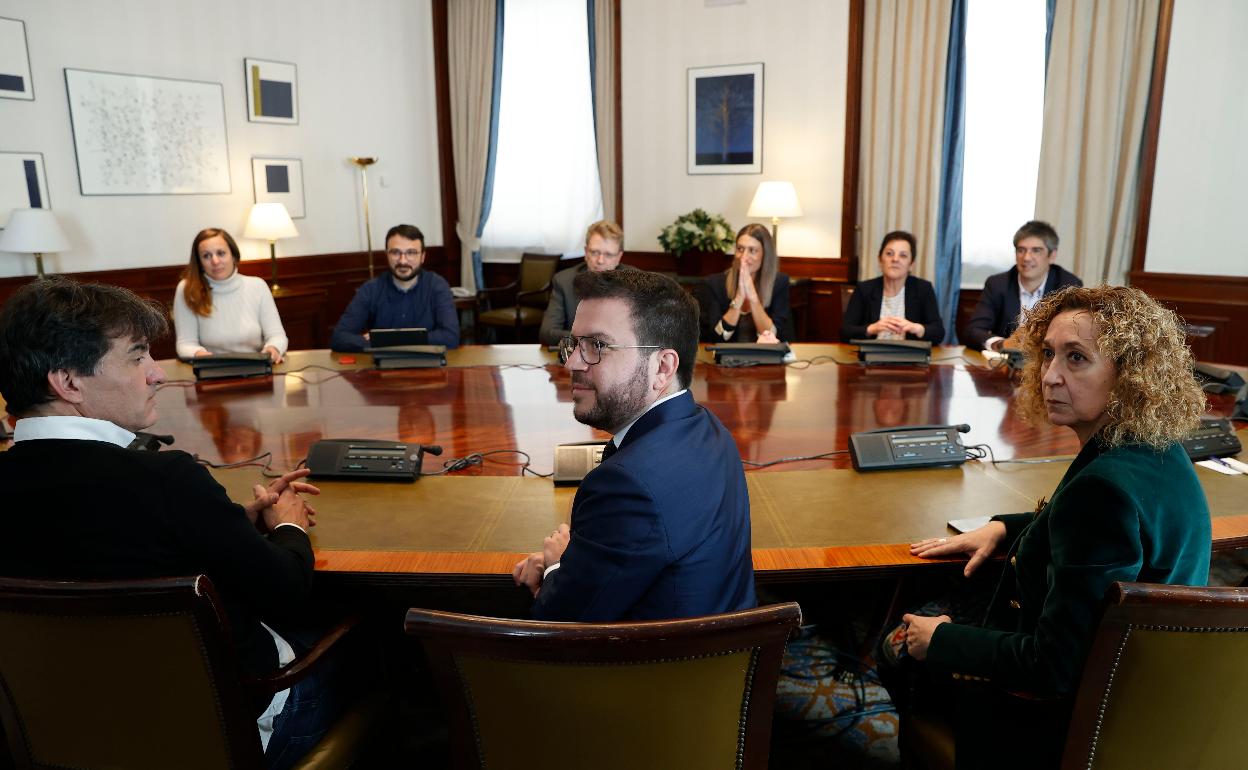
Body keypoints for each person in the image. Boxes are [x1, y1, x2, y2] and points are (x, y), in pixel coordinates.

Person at [0, 277, 341, 769]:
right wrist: (288, 525)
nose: (157, 374)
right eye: (137, 356)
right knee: (376, 645)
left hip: (65, 739)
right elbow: (287, 588)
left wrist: (224, 525)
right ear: (69, 381)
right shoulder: (165, 481)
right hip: (228, 734)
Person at [900, 285, 1210, 768]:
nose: (1049, 376)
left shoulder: (1101, 491)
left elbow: (1052, 668)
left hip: (1062, 726)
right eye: (1047, 355)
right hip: (1153, 695)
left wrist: (941, 639)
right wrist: (1006, 527)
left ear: (1130, 375)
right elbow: (1097, 529)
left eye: (1076, 359)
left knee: (898, 644)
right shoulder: (1157, 447)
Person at [513, 269, 756, 621]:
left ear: (663, 366)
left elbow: (559, 622)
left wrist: (557, 566)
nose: (571, 362)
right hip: (720, 659)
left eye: (596, 345)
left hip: (651, 671)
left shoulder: (627, 486)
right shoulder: (710, 429)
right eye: (574, 344)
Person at [330, 224, 459, 351]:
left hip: (429, 365)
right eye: (396, 253)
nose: (403, 261)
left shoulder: (437, 286)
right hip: (382, 367)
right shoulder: (371, 289)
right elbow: (339, 337)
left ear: (422, 257)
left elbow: (450, 337)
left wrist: (386, 340)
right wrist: (409, 340)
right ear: (387, 255)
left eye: (411, 253)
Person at [963, 220, 1083, 352]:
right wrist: (1002, 345)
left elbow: (1073, 335)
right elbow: (973, 331)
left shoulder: (1068, 286)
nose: (1026, 258)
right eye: (1021, 250)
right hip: (1005, 365)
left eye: (1036, 251)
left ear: (1052, 256)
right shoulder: (997, 284)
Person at [173, 228, 288, 363]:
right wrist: (201, 355)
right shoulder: (187, 289)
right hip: (211, 370)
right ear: (200, 263)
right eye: (206, 256)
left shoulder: (258, 286)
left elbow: (277, 336)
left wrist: (272, 349)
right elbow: (185, 344)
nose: (215, 261)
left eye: (221, 253)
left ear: (233, 256)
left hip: (256, 366)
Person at [539, 219, 633, 346]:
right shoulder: (564, 281)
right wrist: (591, 341)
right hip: (576, 356)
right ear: (586, 252)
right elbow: (547, 333)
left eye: (608, 255)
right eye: (594, 252)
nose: (600, 261)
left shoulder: (634, 282)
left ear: (619, 257)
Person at [840, 230, 944, 343]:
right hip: (872, 356)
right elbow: (845, 332)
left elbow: (939, 332)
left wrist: (917, 328)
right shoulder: (864, 289)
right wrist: (871, 329)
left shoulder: (923, 289)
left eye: (903, 255)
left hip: (910, 357)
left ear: (911, 265)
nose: (895, 259)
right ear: (880, 260)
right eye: (889, 254)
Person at [698, 223, 792, 343]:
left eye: (752, 250)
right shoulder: (715, 284)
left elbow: (773, 336)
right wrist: (739, 297)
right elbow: (716, 337)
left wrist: (753, 297)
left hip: (766, 358)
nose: (744, 257)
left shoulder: (779, 283)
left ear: (765, 255)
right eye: (740, 249)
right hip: (726, 359)